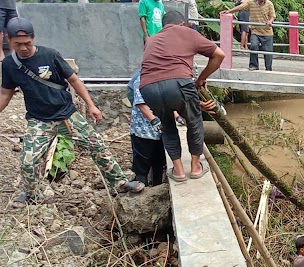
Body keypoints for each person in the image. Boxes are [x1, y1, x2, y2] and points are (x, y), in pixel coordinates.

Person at [0, 18, 144, 208]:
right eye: (18, 44)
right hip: (39, 120)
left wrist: (91, 105)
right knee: (28, 161)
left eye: (28, 43)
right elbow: (5, 93)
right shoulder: (10, 64)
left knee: (97, 146)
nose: (24, 48)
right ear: (8, 40)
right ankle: (33, 195)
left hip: (67, 115)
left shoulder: (50, 55)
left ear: (33, 38)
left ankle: (120, 182)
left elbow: (74, 81)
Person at [139, 11, 225, 182]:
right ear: (182, 24)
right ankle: (195, 168)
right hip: (178, 83)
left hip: (147, 87)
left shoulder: (152, 39)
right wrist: (201, 79)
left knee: (167, 126)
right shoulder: (186, 32)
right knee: (194, 122)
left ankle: (178, 171)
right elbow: (219, 54)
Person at [127, 69, 165, 187]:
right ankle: (141, 186)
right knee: (142, 163)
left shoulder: (166, 76)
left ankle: (157, 187)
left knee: (159, 161)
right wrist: (153, 120)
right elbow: (140, 103)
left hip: (160, 129)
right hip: (142, 129)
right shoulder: (142, 77)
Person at [221, 0, 275, 71]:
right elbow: (240, 7)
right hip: (255, 31)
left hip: (267, 32)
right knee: (253, 46)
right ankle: (253, 65)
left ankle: (268, 68)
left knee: (268, 51)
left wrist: (270, 21)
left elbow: (273, 16)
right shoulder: (251, 3)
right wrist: (229, 11)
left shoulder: (269, 4)